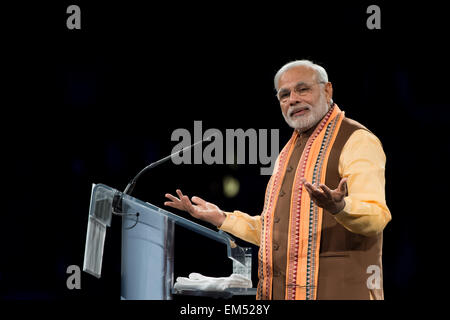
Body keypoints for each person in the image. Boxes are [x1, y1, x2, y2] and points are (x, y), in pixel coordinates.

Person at [164, 60, 391, 300]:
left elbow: (376, 217)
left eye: (303, 89)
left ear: (327, 90)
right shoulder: (288, 151)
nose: (293, 99)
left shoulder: (357, 140)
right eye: (284, 95)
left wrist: (340, 207)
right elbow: (278, 231)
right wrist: (222, 218)